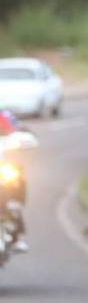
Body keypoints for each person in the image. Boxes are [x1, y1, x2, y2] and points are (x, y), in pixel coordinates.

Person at [0, 108, 29, 252]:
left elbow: (18, 127)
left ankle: (17, 235)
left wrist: (24, 134)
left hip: (3, 164)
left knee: (17, 175)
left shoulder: (4, 115)